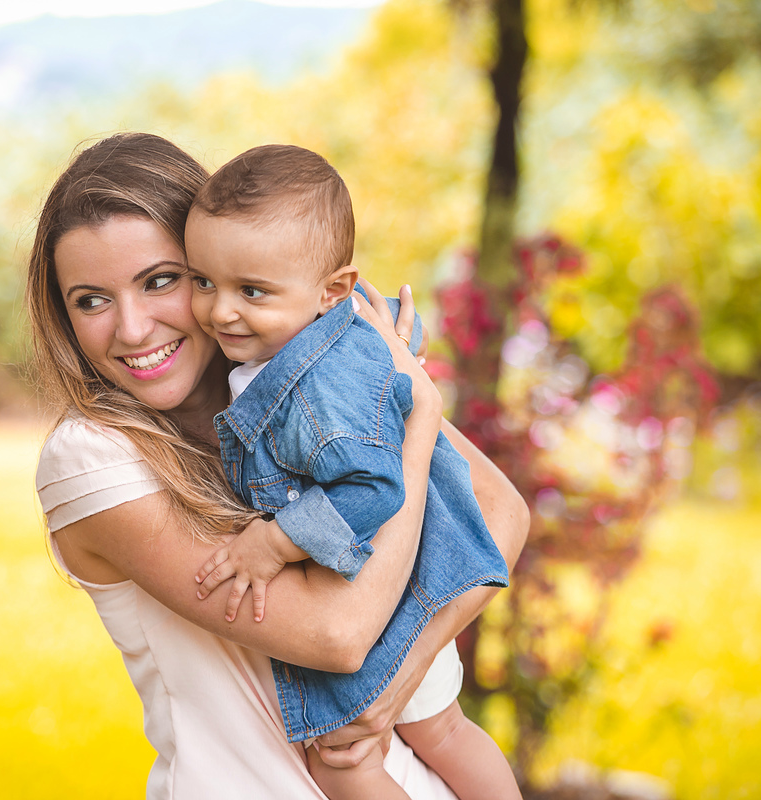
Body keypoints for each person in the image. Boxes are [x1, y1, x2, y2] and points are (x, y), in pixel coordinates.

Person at [29, 132, 530, 799]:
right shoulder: (90, 458)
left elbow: (502, 512)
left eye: (160, 281)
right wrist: (420, 415)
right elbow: (338, 636)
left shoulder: (309, 373)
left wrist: (400, 684)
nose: (133, 328)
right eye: (90, 300)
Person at [183, 144, 521, 800]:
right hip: (406, 583)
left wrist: (274, 542)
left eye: (251, 291)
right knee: (445, 731)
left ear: (332, 290)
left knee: (345, 761)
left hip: (393, 594)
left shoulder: (318, 393)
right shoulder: (312, 335)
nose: (220, 311)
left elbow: (372, 485)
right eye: (203, 282)